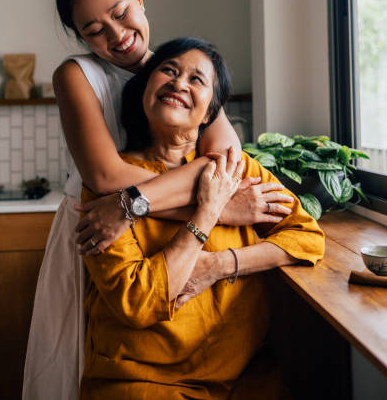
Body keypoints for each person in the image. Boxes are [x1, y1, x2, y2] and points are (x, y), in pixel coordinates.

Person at [22, 0, 294, 400]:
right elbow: (106, 174)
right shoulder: (75, 74)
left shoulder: (184, 68)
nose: (116, 33)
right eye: (94, 29)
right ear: (80, 38)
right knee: (86, 364)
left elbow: (225, 163)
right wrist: (217, 206)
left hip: (157, 226)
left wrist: (142, 204)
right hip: (103, 234)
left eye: (120, 11)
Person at [80, 37, 325, 399]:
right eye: (168, 70)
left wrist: (220, 265)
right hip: (140, 382)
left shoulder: (237, 171)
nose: (179, 83)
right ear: (144, 90)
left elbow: (306, 237)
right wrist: (210, 211)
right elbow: (138, 302)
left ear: (211, 112)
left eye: (197, 79)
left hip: (244, 376)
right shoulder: (111, 189)